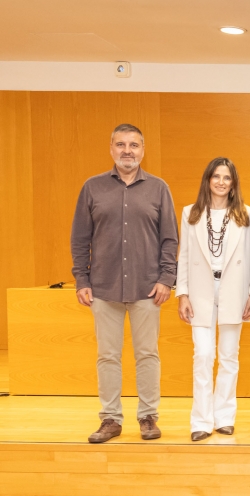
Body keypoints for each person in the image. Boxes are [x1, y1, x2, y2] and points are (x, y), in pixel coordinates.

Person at [71, 123, 178, 444]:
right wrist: (81, 278)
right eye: (121, 144)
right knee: (107, 355)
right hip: (103, 287)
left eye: (133, 145)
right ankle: (110, 419)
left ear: (143, 150)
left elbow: (170, 239)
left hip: (148, 288)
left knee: (148, 354)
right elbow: (80, 238)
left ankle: (148, 417)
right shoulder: (92, 188)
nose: (127, 151)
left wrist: (166, 279)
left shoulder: (158, 188)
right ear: (111, 148)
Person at [177, 157, 250, 441]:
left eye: (227, 177)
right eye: (216, 177)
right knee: (203, 356)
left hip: (233, 290)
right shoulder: (191, 213)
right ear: (208, 180)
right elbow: (184, 257)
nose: (221, 182)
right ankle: (200, 420)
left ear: (233, 183)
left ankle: (224, 416)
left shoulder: (245, 215)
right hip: (200, 290)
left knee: (228, 356)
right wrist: (182, 293)